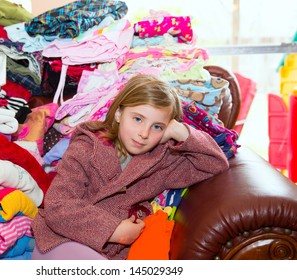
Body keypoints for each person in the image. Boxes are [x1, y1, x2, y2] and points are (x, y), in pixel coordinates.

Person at [31, 74, 229, 260]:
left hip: (110, 253)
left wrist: (183, 132)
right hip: (60, 240)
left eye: (157, 126)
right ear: (118, 114)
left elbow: (215, 163)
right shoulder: (86, 148)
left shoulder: (163, 162)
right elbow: (58, 205)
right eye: (137, 119)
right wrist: (113, 229)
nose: (144, 133)